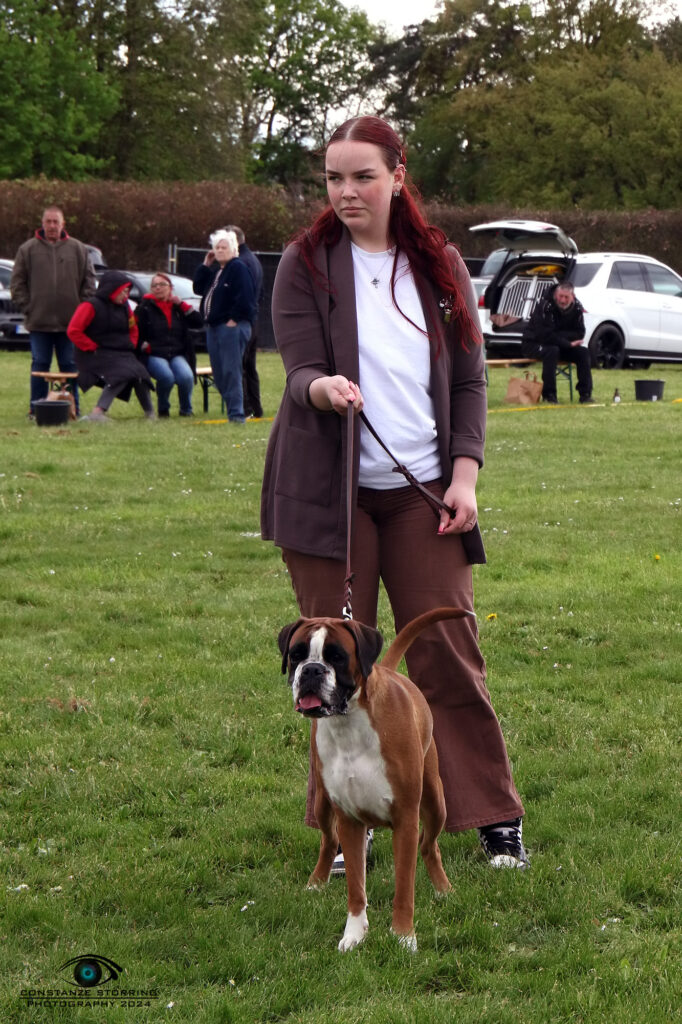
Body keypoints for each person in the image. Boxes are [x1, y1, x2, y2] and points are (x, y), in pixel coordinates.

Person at [261, 115, 528, 870]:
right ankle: (343, 829)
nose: (346, 192)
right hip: (328, 494)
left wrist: (465, 476)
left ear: (397, 176)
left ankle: (492, 816)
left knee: (447, 650)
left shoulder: (438, 262)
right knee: (335, 664)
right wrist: (324, 389)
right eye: (333, 178)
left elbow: (471, 378)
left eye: (362, 176)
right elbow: (299, 370)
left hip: (422, 492)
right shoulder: (305, 263)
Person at [11, 206, 95, 417]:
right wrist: (28, 306)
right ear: (42, 223)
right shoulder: (27, 249)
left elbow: (89, 281)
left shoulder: (78, 248)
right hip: (39, 322)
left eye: (55, 222)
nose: (51, 226)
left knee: (69, 365)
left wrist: (82, 309)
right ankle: (36, 408)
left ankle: (71, 408)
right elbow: (17, 283)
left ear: (63, 224)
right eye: (48, 221)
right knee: (40, 365)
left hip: (71, 324)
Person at [66, 271, 155, 422]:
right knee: (121, 374)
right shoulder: (89, 306)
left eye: (127, 291)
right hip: (93, 354)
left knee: (141, 374)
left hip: (121, 353)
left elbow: (133, 328)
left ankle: (150, 413)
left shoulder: (125, 307)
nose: (126, 295)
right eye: (123, 291)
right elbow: (73, 331)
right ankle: (97, 413)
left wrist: (131, 344)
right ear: (112, 290)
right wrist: (91, 346)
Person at [193, 230, 256, 424]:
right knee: (219, 372)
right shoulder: (217, 271)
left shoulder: (238, 267)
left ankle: (236, 415)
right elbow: (198, 287)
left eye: (224, 247)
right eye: (217, 247)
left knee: (231, 370)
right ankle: (234, 409)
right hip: (214, 327)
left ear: (234, 249)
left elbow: (246, 296)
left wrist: (234, 320)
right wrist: (206, 264)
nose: (220, 251)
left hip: (230, 327)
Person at [135, 272, 203, 417]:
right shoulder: (144, 308)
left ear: (170, 288)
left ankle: (186, 410)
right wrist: (142, 345)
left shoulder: (177, 307)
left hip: (177, 352)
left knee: (186, 377)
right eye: (154, 285)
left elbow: (198, 322)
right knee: (167, 377)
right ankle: (163, 409)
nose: (158, 288)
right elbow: (134, 332)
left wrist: (182, 305)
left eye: (162, 285)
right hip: (154, 353)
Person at [521, 282, 595, 404]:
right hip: (534, 343)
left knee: (583, 352)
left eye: (566, 297)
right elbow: (544, 335)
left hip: (560, 345)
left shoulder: (577, 307)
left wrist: (562, 339)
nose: (563, 300)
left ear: (573, 296)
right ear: (556, 294)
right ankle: (549, 396)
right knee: (552, 350)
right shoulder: (545, 305)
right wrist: (567, 343)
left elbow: (580, 333)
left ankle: (585, 394)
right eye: (560, 296)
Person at [224, 225, 264, 418]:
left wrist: (233, 318)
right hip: (253, 319)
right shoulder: (253, 259)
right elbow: (260, 293)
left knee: (239, 366)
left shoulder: (240, 263)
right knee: (249, 366)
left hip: (242, 321)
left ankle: (245, 409)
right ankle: (256, 409)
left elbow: (242, 296)